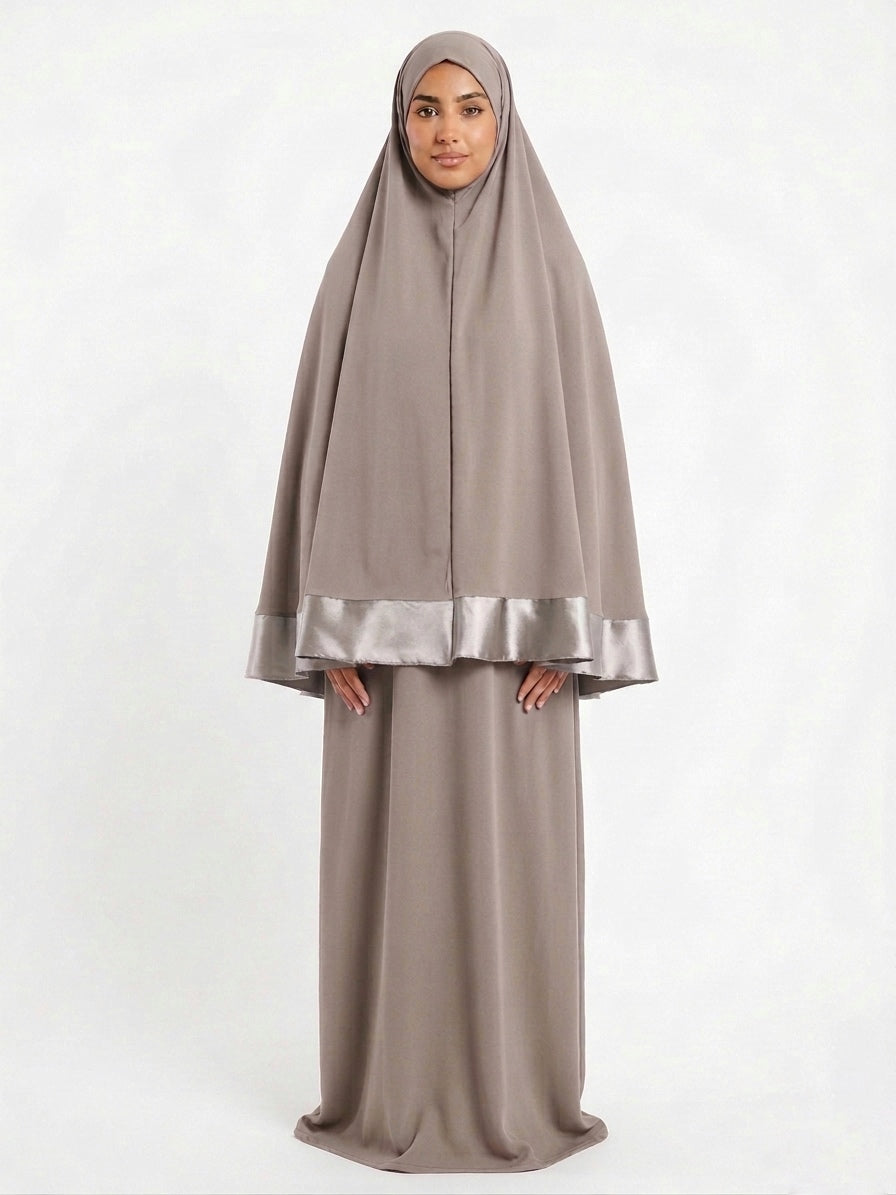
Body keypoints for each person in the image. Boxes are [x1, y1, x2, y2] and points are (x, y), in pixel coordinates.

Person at [246, 30, 657, 1174]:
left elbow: (589, 455)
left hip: (519, 661)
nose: (446, 132)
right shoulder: (355, 273)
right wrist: (325, 624)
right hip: (373, 663)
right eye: (425, 109)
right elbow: (316, 448)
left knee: (512, 875)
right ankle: (385, 1095)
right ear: (398, 122)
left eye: (470, 108)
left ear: (503, 120)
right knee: (390, 879)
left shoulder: (551, 274)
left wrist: (573, 626)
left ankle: (518, 1095)